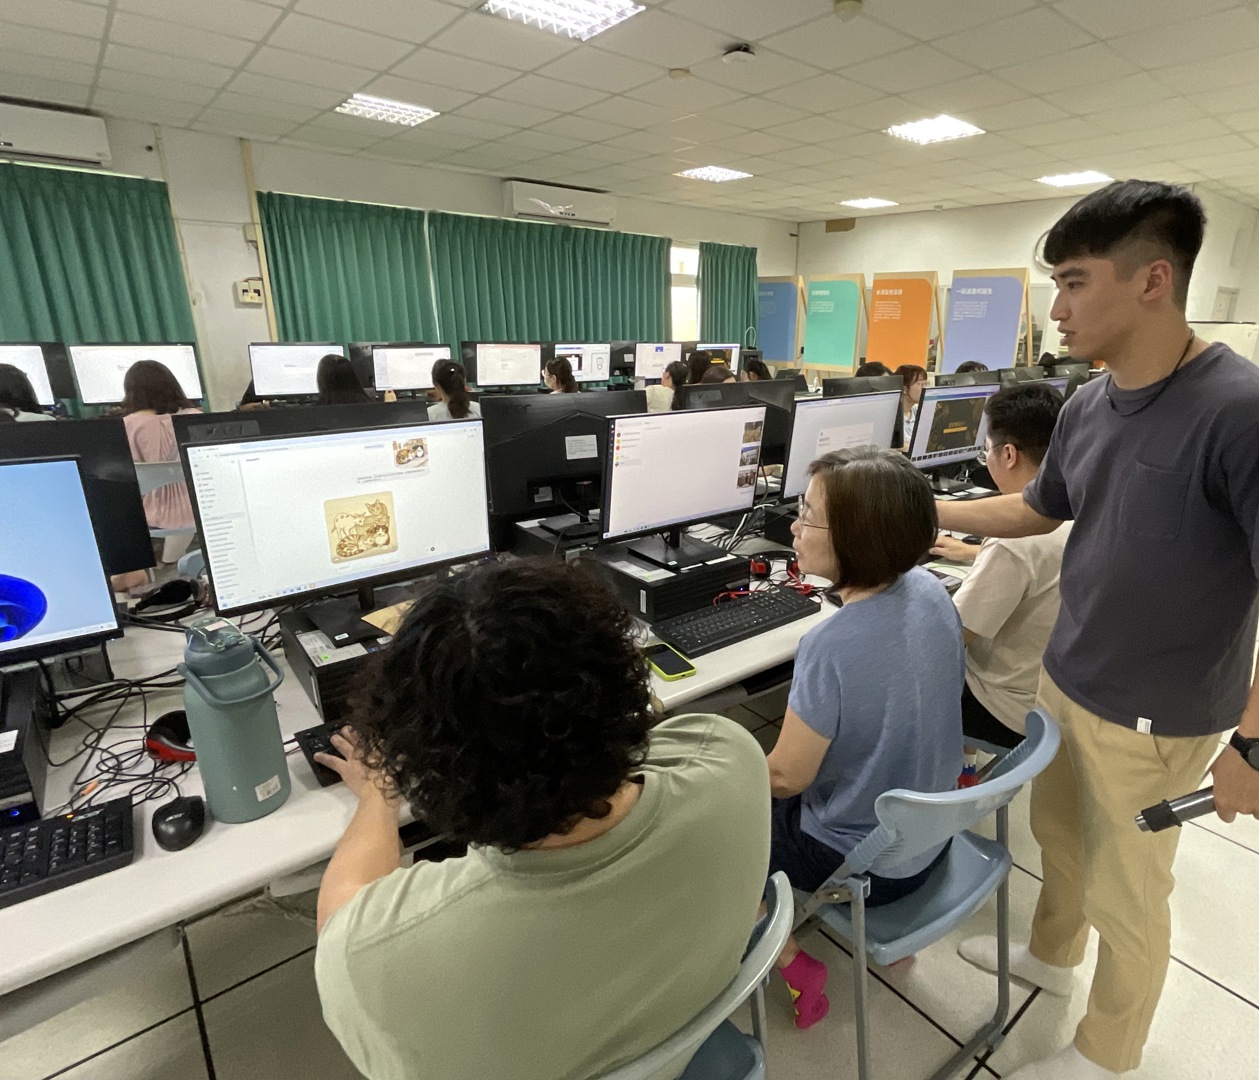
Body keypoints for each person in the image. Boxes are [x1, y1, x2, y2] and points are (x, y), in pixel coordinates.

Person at [942, 181, 1259, 1079]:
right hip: (1065, 679)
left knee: (1130, 893)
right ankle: (1052, 958)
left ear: (1153, 280)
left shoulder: (1254, 416)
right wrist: (921, 509)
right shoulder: (1089, 403)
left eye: (1075, 282)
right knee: (1060, 843)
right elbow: (1039, 511)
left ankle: (1107, 1054)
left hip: (1158, 713)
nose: (1057, 309)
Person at [312, 560, 771, 1080]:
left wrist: (378, 793)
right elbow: (649, 737)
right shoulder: (729, 756)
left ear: (426, 772)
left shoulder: (369, 960)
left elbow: (339, 920)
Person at [766, 446, 967, 1029]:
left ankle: (791, 960)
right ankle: (899, 943)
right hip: (928, 842)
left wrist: (717, 772)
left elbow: (785, 778)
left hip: (865, 866)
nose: (794, 528)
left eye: (806, 515)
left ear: (855, 539)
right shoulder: (929, 589)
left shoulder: (829, 646)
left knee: (715, 825)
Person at [935, 385, 1070, 789]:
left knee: (904, 664)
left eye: (986, 451)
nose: (987, 460)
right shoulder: (1079, 502)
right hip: (1052, 697)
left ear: (1008, 454)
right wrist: (973, 553)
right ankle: (965, 766)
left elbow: (952, 635)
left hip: (1005, 711)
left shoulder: (1013, 543)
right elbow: (1041, 566)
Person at [119, 360, 201, 539]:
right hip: (201, 508)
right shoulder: (196, 418)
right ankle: (173, 554)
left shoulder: (129, 424)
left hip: (153, 514)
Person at [896, 364, 928, 448]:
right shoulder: (893, 417)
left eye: (926, 384)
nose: (925, 389)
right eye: (920, 384)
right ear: (904, 389)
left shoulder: (919, 412)